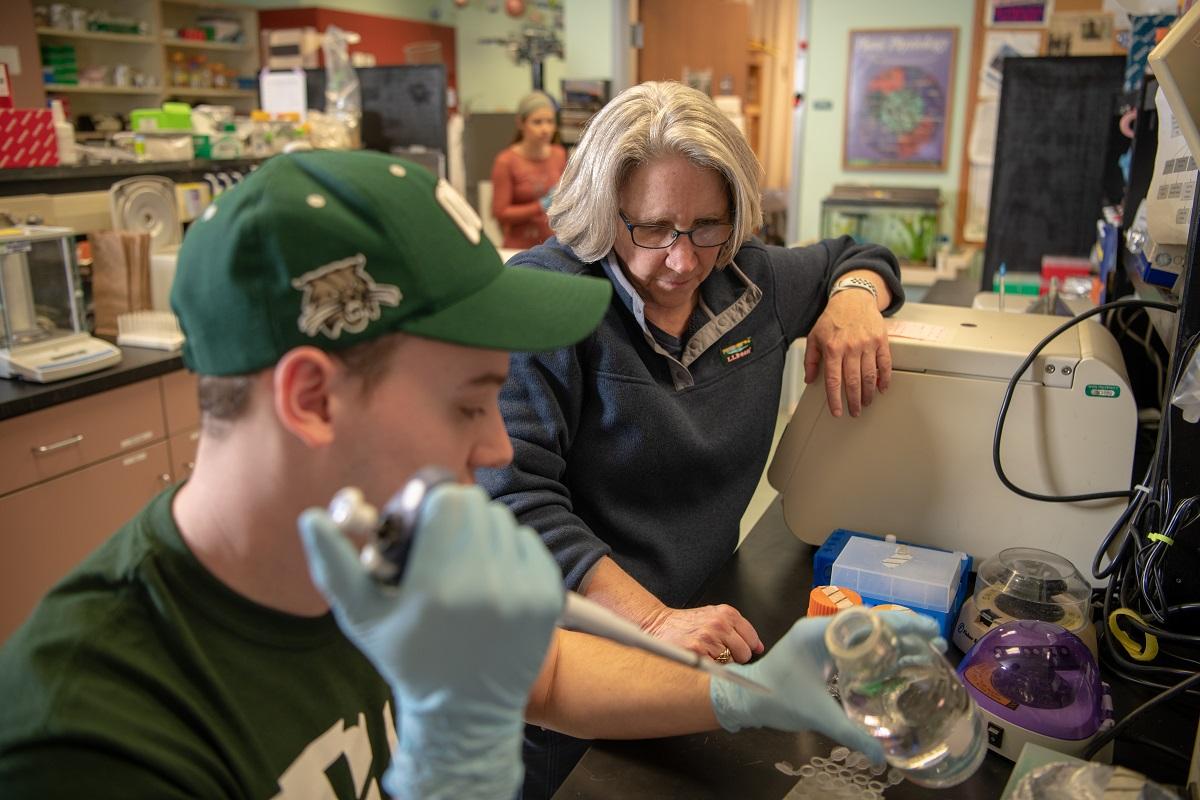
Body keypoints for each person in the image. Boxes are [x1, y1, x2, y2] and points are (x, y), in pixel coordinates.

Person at [0, 150, 939, 800]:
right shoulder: (92, 738)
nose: (497, 450)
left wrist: (750, 695)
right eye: (466, 404)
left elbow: (541, 669)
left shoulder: (372, 540)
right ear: (313, 401)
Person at [477, 80, 906, 797]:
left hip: (693, 641)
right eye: (651, 228)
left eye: (707, 226)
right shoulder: (544, 301)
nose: (682, 260)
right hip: (564, 672)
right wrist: (651, 619)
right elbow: (512, 500)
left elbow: (856, 252)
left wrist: (855, 297)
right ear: (602, 209)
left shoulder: (753, 284)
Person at [490, 90, 568, 250]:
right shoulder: (506, 161)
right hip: (519, 248)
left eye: (550, 121)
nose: (545, 129)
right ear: (521, 123)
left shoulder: (559, 154)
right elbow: (500, 213)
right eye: (537, 122)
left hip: (553, 246)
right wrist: (538, 207)